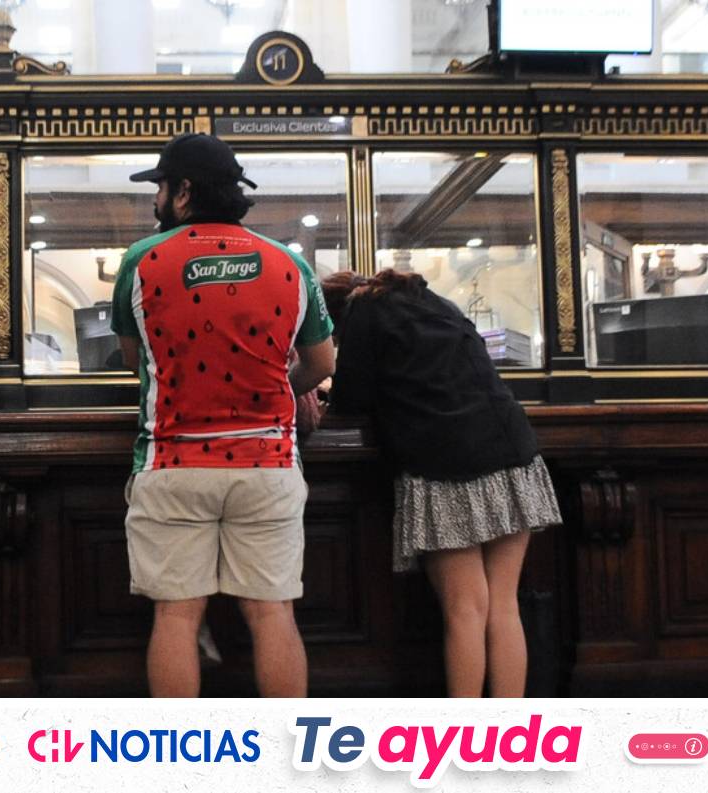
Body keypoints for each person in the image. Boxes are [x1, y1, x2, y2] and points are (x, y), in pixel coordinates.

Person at [114, 133, 337, 697]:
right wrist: (279, 386)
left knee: (176, 616)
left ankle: (179, 750)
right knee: (272, 613)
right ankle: (287, 747)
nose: (156, 199)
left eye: (161, 187)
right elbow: (322, 363)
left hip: (173, 462)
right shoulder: (290, 264)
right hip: (268, 462)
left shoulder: (142, 260)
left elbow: (135, 359)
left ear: (184, 191)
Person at [320, 269, 562, 697]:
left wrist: (326, 385)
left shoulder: (362, 312)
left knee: (465, 609)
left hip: (445, 462)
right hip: (511, 449)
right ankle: (508, 729)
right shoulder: (431, 301)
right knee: (504, 605)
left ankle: (464, 730)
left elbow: (352, 397)